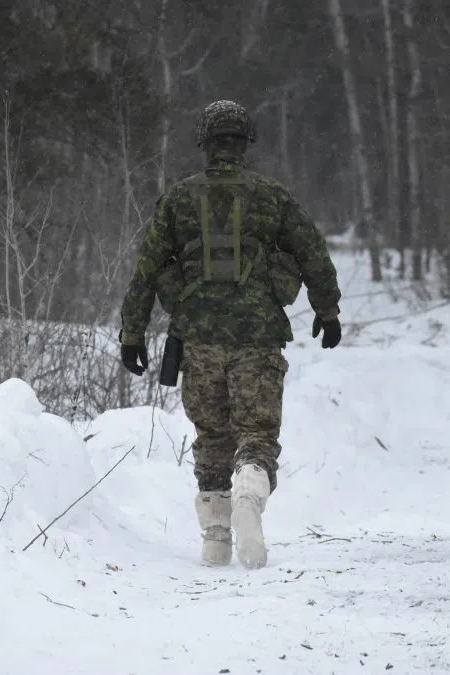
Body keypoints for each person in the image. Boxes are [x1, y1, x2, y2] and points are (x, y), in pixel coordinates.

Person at [118, 100, 343, 569]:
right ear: (245, 143)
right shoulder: (272, 197)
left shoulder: (178, 199)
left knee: (212, 435)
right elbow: (312, 252)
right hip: (257, 337)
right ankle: (249, 495)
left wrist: (132, 333)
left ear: (205, 142)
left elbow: (147, 269)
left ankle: (216, 538)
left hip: (198, 338)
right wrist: (327, 310)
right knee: (256, 433)